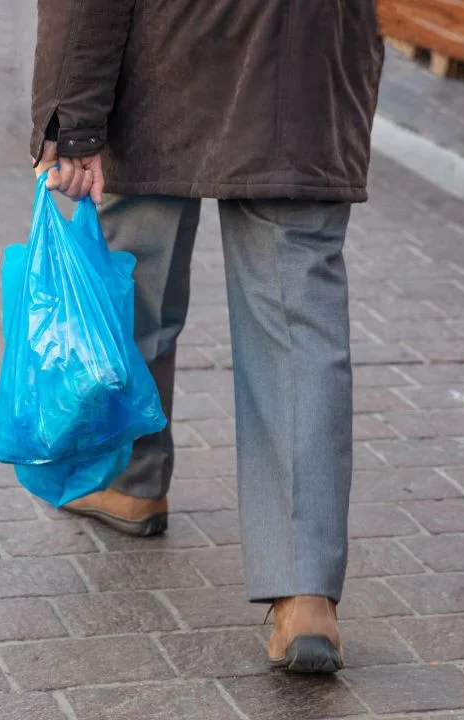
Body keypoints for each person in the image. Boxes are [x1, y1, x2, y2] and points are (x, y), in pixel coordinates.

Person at [30, 0, 384, 674]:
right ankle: (305, 595)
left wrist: (69, 116)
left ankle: (129, 477)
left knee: (136, 269)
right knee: (295, 311)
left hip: (166, 57)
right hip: (309, 58)